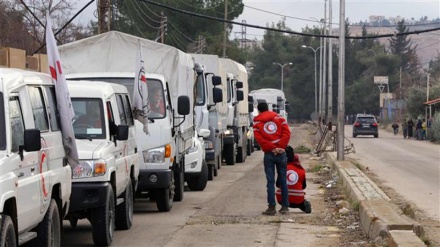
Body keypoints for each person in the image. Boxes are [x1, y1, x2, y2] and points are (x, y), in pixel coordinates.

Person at [253, 102, 291, 215]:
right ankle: (285, 206)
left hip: (269, 154)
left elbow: (259, 139)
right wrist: (280, 147)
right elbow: (287, 133)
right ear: (268, 108)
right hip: (281, 153)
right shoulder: (279, 118)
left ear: (259, 111)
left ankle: (271, 207)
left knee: (270, 181)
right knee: (283, 180)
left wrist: (272, 148)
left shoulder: (257, 122)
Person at [276, 146, 311, 214]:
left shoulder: (282, 169)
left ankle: (284, 207)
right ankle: (304, 205)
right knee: (300, 201)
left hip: (281, 199)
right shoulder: (301, 170)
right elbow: (304, 186)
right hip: (298, 200)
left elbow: (278, 184)